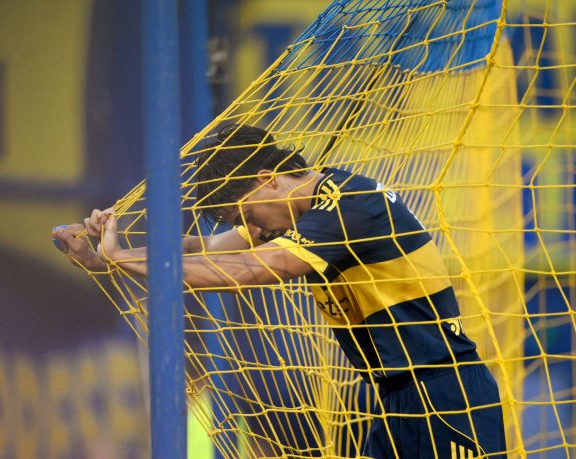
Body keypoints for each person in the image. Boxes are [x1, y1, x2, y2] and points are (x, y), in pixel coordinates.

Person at [53, 124, 507, 458]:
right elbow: (204, 249)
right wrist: (106, 257)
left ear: (267, 178)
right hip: (397, 401)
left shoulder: (346, 207)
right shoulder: (307, 209)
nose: (251, 228)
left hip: (447, 395)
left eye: (245, 215)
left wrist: (121, 257)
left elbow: (249, 270)